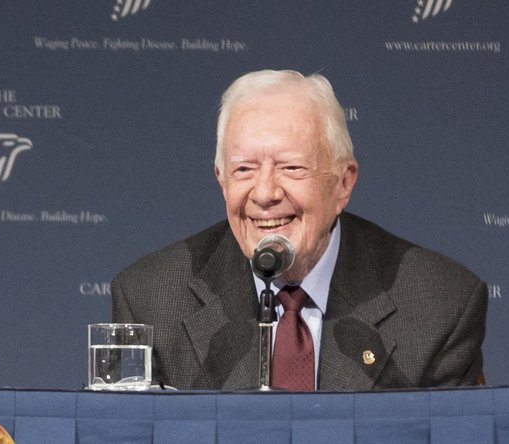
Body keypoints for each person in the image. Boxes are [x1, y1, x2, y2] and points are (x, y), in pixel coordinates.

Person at [112, 69, 487, 391]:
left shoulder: (438, 304)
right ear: (221, 180)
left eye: (291, 168)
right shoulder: (150, 300)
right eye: (243, 169)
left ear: (343, 183)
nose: (264, 193)